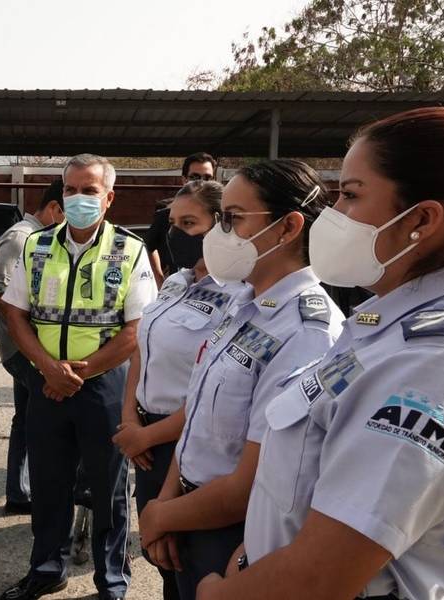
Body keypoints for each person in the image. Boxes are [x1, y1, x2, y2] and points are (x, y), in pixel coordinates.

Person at [196, 108, 444, 600]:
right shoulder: (386, 321)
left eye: (351, 194)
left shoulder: (435, 369)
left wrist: (214, 594)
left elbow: (320, 577)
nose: (333, 212)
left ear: (421, 220)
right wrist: (249, 553)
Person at [138, 159, 344, 600]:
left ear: (288, 228)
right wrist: (167, 503)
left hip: (233, 531)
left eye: (231, 220)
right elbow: (196, 420)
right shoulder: (242, 300)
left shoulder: (308, 333)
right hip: (187, 511)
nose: (217, 235)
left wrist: (163, 516)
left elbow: (254, 478)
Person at [0, 154, 157, 600]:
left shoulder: (130, 249)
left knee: (109, 489)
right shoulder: (37, 245)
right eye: (70, 190)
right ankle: (47, 569)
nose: (78, 198)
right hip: (46, 383)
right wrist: (49, 370)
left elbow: (137, 327)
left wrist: (80, 374)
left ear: (108, 198)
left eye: (89, 191)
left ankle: (112, 581)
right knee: (49, 485)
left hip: (103, 386)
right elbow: (15, 312)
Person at [112, 179, 243, 600]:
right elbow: (141, 352)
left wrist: (146, 435)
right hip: (145, 442)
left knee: (191, 559)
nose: (176, 234)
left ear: (222, 227)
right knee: (161, 555)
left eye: (190, 223)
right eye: (172, 223)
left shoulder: (240, 296)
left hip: (182, 443)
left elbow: (212, 387)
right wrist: (130, 419)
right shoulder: (174, 280)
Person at [0, 178, 65, 514]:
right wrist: (34, 347)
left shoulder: (44, 237)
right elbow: (1, 295)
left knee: (25, 419)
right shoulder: (22, 237)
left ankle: (19, 494)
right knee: (42, 420)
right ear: (54, 208)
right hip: (25, 351)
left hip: (32, 348)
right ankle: (38, 493)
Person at [146, 153, 218, 286]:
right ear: (184, 180)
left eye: (207, 178)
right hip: (178, 291)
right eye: (195, 177)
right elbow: (148, 247)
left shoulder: (225, 216)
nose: (201, 182)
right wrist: (159, 280)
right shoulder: (165, 215)